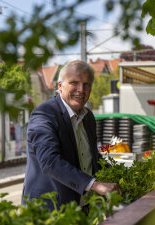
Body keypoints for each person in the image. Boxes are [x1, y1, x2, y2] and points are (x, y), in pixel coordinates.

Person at [22, 60, 121, 211]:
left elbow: (92, 157)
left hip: (81, 208)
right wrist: (95, 185)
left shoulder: (88, 117)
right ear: (59, 86)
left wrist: (119, 178)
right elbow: (50, 161)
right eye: (74, 83)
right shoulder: (44, 115)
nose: (81, 90)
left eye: (86, 84)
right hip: (50, 210)